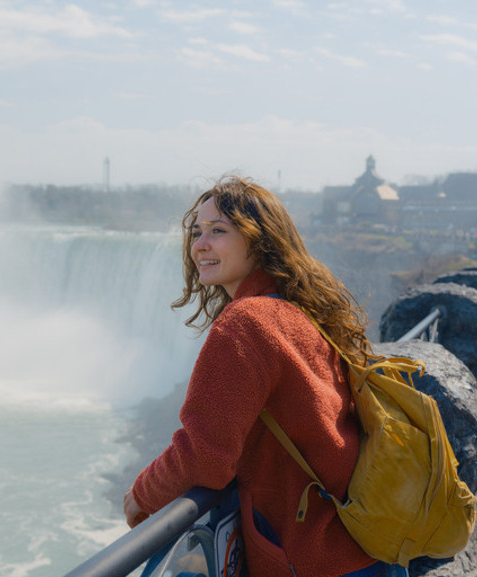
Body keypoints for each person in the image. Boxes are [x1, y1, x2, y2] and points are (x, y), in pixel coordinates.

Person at [123, 176, 408, 577]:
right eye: (196, 232)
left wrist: (141, 495)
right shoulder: (296, 310)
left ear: (259, 241)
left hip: (314, 559)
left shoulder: (245, 323)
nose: (200, 245)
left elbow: (204, 456)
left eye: (218, 231)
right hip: (361, 546)